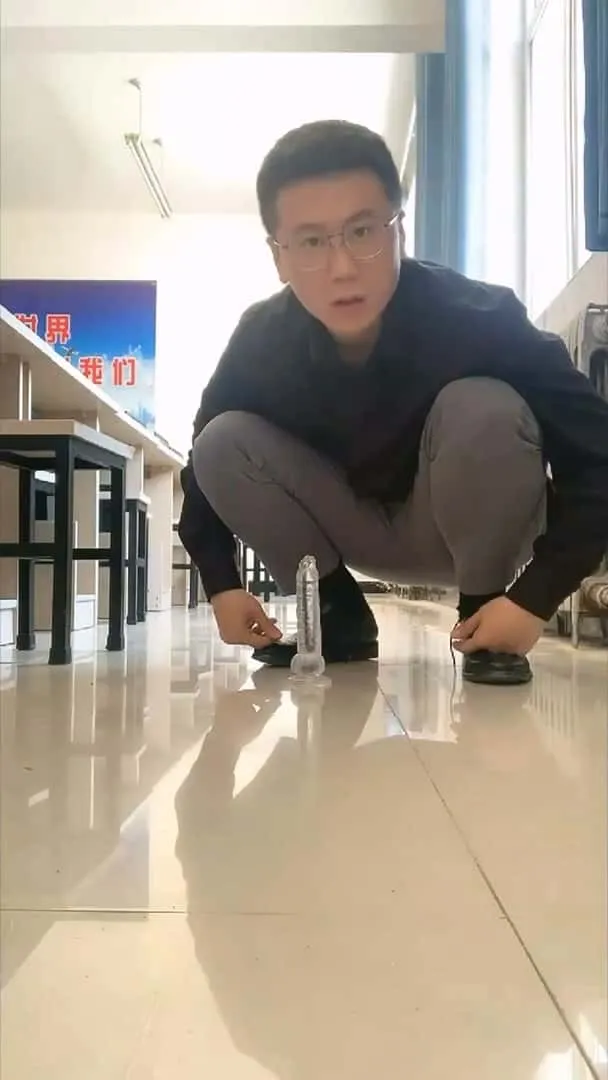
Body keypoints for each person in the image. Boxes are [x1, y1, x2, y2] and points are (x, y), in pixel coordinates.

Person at [178, 120, 608, 686]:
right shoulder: (261, 340)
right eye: (311, 242)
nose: (342, 268)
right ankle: (337, 618)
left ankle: (484, 616)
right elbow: (203, 468)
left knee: (483, 405)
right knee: (221, 441)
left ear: (399, 229)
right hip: (350, 533)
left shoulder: (479, 316)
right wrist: (221, 582)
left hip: (477, 528)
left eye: (363, 231)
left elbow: (597, 454)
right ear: (278, 257)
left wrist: (536, 596)